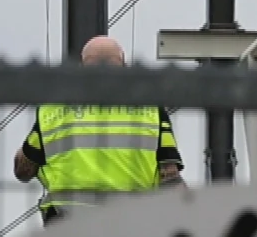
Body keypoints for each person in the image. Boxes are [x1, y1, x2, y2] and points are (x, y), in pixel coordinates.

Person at [13, 36, 184, 224]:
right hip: (132, 224)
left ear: (82, 67)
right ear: (124, 66)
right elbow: (170, 175)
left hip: (67, 228)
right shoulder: (150, 109)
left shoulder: (54, 110)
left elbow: (23, 170)